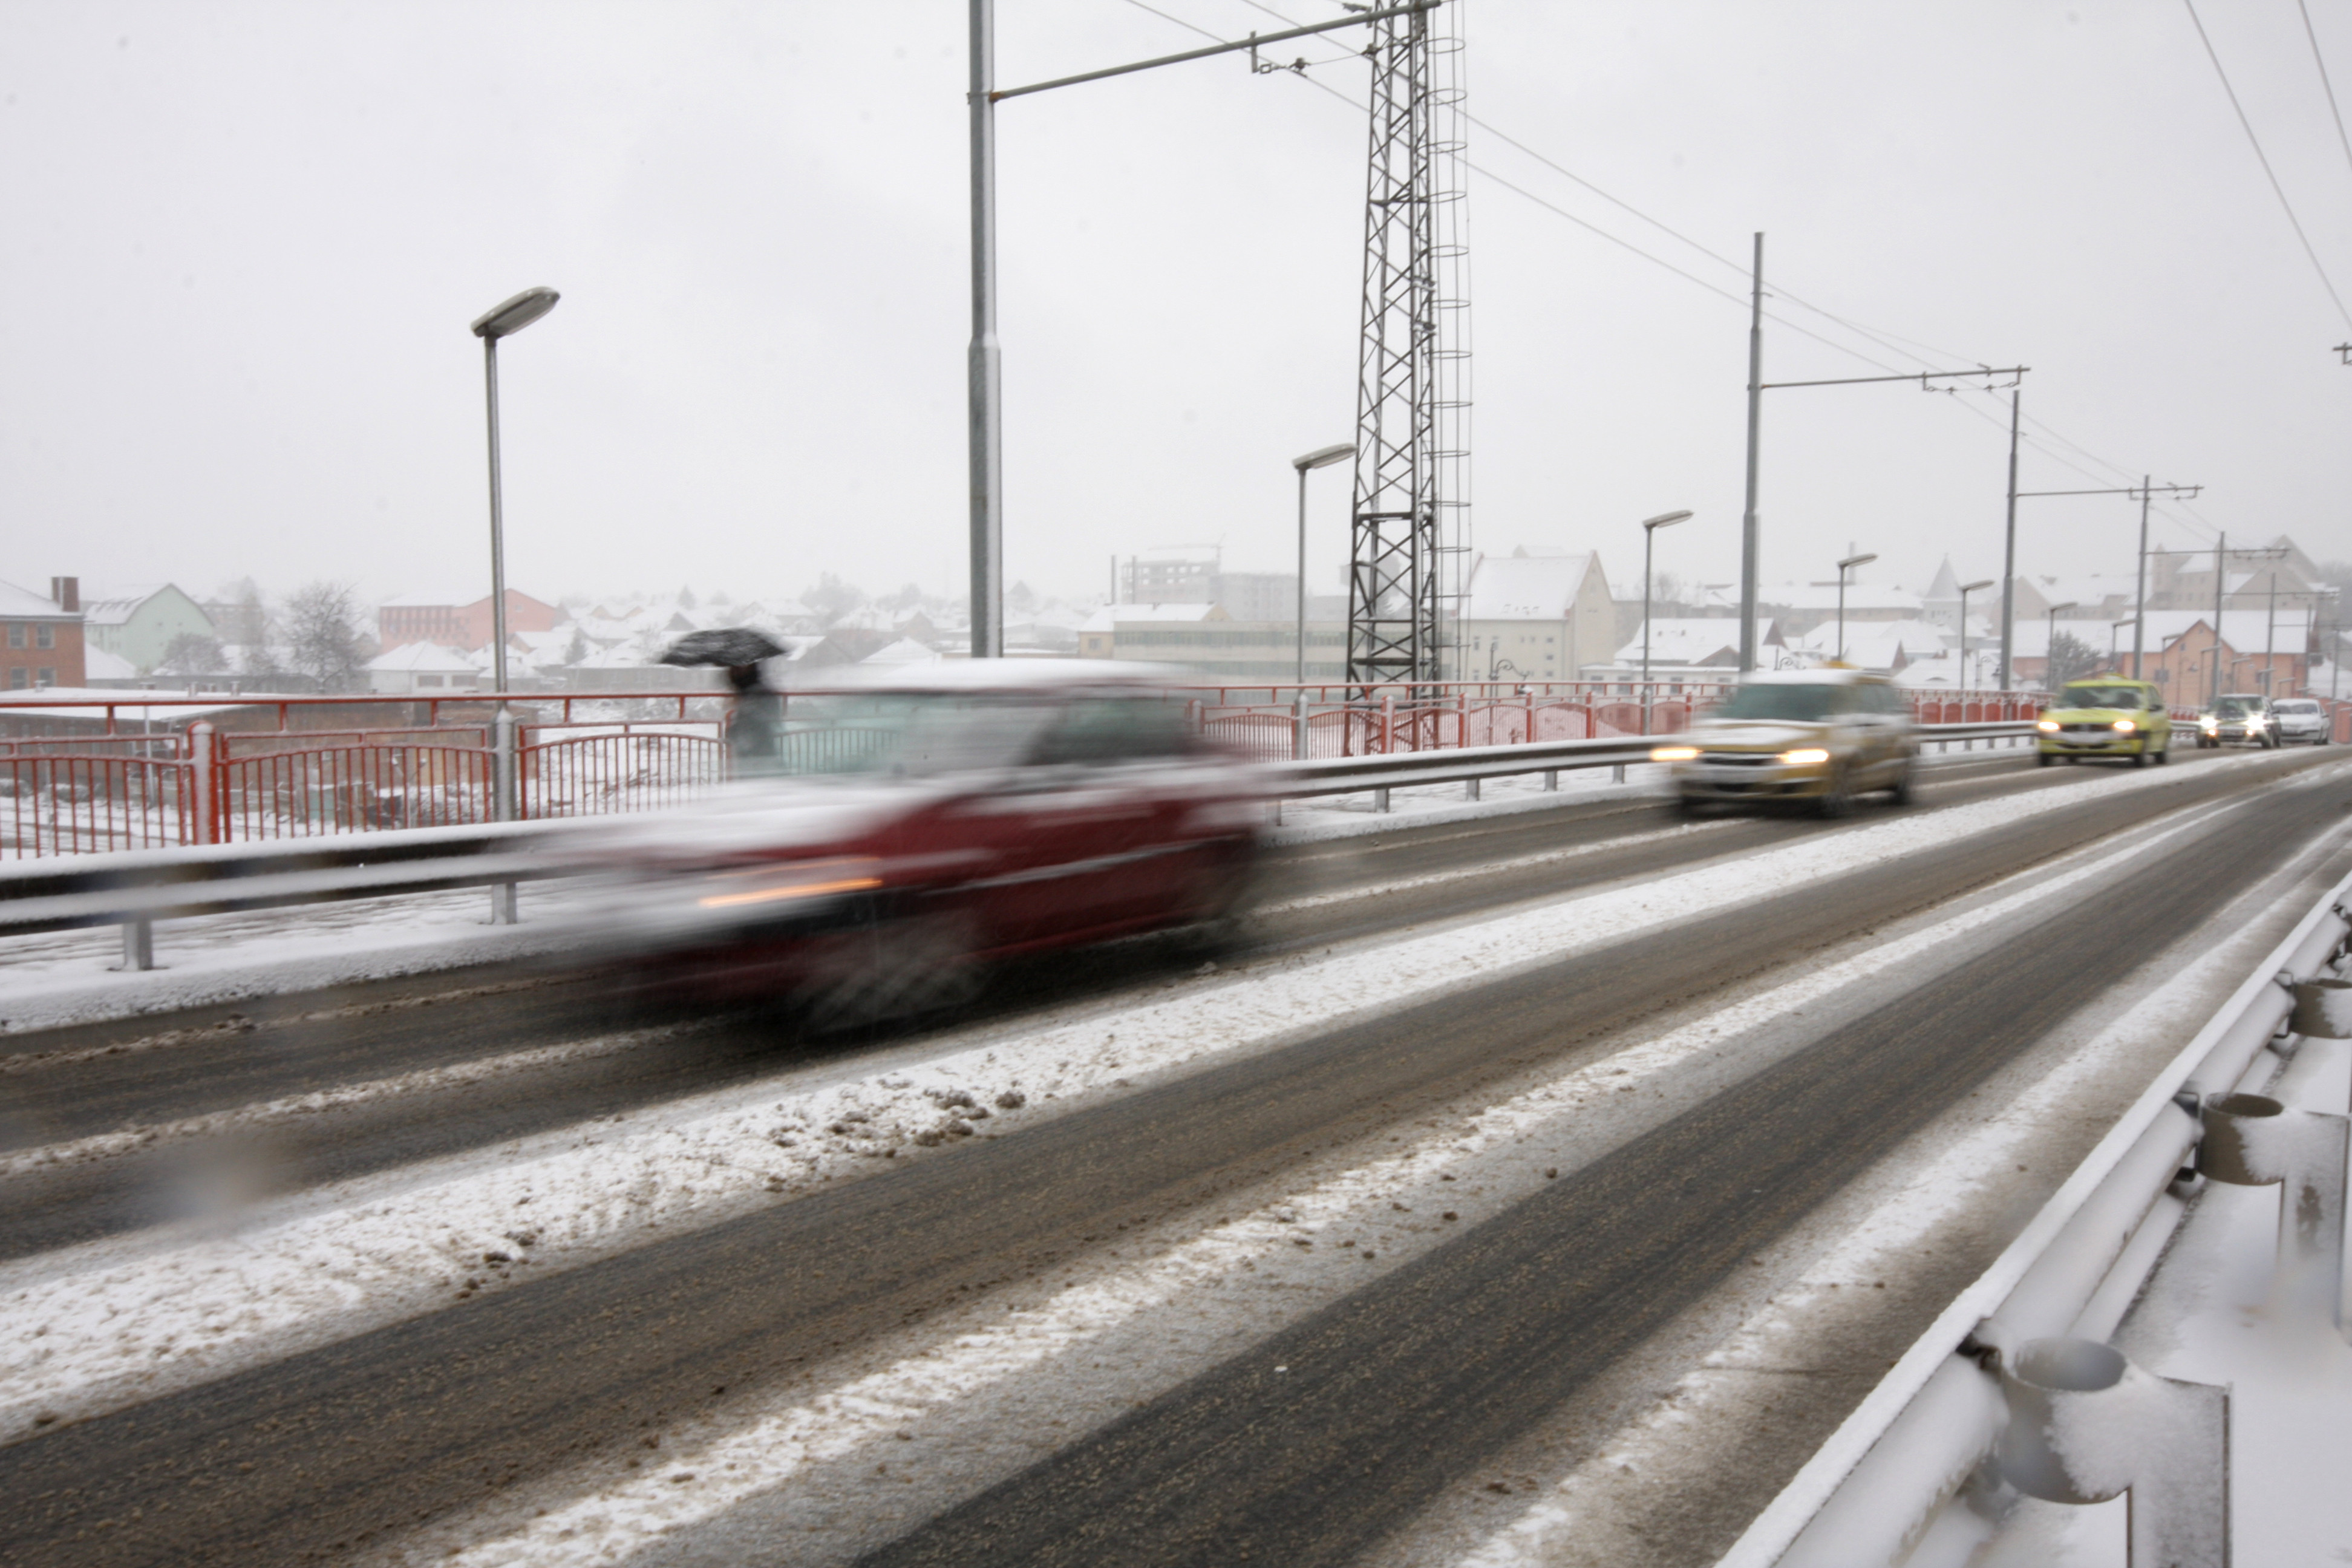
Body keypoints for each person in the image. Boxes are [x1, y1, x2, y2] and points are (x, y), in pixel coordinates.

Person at [725, 662, 783, 774]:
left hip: (756, 757)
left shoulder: (754, 693)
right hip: (758, 756)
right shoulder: (753, 692)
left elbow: (754, 725)